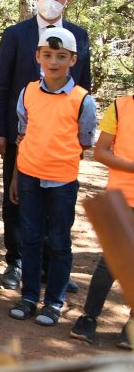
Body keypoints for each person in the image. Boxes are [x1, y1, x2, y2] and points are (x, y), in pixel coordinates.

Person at [0, 0, 91, 291]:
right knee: (16, 197)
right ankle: (16, 261)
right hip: (22, 137)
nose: (50, 2)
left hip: (61, 142)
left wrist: (79, 137)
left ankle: (53, 268)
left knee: (58, 204)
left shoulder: (80, 36)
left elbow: (84, 89)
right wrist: (2, 134)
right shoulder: (16, 35)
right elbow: (3, 86)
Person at [8, 26, 97, 327]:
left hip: (61, 182)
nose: (54, 62)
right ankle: (29, 297)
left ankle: (54, 302)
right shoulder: (28, 92)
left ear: (73, 59)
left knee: (58, 242)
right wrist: (17, 177)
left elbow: (85, 140)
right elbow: (23, 134)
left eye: (61, 56)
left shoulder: (83, 99)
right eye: (48, 55)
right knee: (30, 239)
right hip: (30, 178)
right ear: (38, 57)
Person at [69, 85, 134, 347]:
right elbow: (101, 151)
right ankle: (89, 317)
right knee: (109, 263)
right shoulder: (120, 106)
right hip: (121, 199)